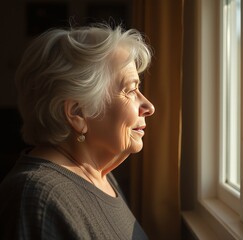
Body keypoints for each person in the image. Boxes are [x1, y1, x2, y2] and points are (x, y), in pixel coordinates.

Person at [0, 24, 155, 239]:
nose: (149, 106)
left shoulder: (102, 176)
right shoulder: (38, 198)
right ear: (78, 113)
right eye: (130, 89)